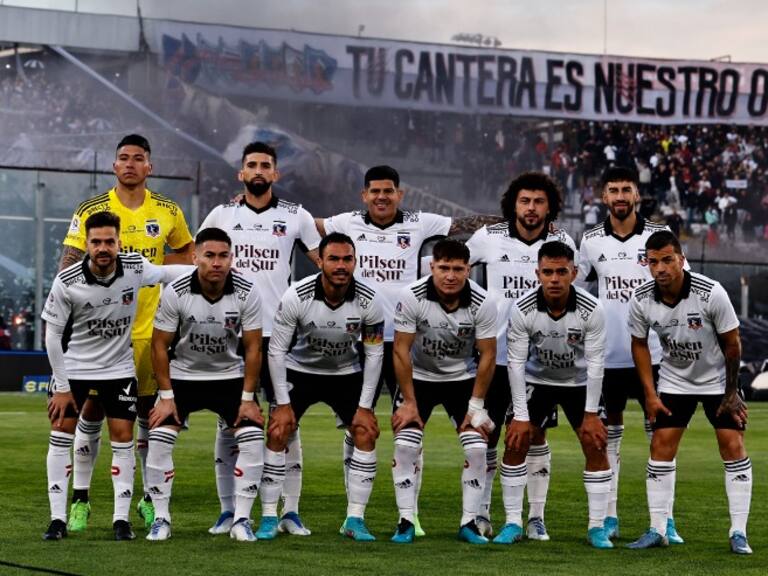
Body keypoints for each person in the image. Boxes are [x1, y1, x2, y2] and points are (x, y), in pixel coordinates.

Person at [318, 164, 499, 536]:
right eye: (375, 191)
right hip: (362, 338)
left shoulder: (420, 222)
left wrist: (508, 218)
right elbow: (307, 226)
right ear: (364, 195)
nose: (382, 197)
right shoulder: (347, 222)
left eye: (389, 191)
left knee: (409, 427)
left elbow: (463, 225)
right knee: (358, 425)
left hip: (407, 344)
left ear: (400, 194)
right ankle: (354, 509)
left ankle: (411, 516)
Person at [59, 134, 194, 532]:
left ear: (149, 167)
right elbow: (68, 261)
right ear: (114, 166)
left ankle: (147, 498)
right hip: (101, 334)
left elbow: (186, 256)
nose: (130, 164)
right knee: (92, 412)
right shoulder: (92, 209)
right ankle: (80, 500)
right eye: (123, 158)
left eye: (138, 159)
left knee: (149, 419)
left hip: (151, 334)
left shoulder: (168, 210)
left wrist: (159, 281)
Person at [199, 141, 322, 536]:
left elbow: (324, 265)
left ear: (275, 174)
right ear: (241, 173)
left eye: (265, 165)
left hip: (279, 334)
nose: (258, 170)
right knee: (228, 421)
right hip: (231, 334)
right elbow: (201, 263)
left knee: (286, 421)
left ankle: (290, 510)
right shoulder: (222, 213)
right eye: (251, 164)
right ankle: (228, 509)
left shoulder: (295, 216)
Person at [465, 171, 576, 539]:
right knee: (487, 434)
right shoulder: (488, 237)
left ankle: (535, 517)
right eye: (525, 201)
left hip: (540, 360)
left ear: (550, 207)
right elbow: (455, 268)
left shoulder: (563, 241)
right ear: (514, 204)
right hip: (495, 356)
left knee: (536, 435)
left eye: (539, 201)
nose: (531, 208)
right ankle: (481, 513)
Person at [627, 231, 752, 554]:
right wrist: (651, 394)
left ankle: (738, 533)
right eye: (653, 262)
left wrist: (731, 392)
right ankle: (658, 529)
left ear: (681, 260)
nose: (660, 268)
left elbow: (733, 343)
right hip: (673, 381)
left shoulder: (711, 292)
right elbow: (639, 344)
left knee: (732, 444)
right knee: (660, 446)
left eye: (667, 260)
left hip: (717, 381)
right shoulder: (641, 299)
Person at [577, 166, 682, 543]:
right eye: (613, 190)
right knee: (609, 439)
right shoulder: (589, 241)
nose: (620, 197)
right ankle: (609, 517)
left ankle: (665, 519)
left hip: (655, 356)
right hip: (608, 356)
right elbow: (574, 288)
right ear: (603, 197)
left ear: (637, 194)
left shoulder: (659, 237)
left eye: (626, 190)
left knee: (661, 438)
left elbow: (680, 290)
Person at [262, 233, 385, 541]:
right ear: (320, 261)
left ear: (355, 262)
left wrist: (366, 407)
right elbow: (276, 351)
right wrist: (282, 403)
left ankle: (354, 520)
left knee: (366, 431)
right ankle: (271, 517)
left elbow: (374, 353)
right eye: (334, 259)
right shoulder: (296, 296)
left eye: (347, 259)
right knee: (279, 429)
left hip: (345, 373)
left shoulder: (370, 300)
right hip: (299, 370)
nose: (341, 266)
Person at [145, 227, 266, 542]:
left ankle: (241, 519)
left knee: (252, 435)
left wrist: (249, 398)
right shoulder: (176, 291)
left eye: (223, 256)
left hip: (229, 377)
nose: (216, 263)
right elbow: (158, 345)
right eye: (209, 255)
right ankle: (161, 519)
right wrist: (166, 397)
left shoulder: (248, 290)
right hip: (183, 378)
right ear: (195, 256)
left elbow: (254, 348)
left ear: (231, 258)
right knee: (158, 436)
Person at [503, 241, 613, 549]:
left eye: (561, 272)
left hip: (579, 382)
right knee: (515, 442)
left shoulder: (592, 309)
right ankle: (516, 522)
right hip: (537, 380)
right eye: (548, 272)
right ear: (537, 273)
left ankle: (597, 527)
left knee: (595, 444)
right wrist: (521, 416)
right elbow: (515, 363)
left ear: (574, 273)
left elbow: (595, 365)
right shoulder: (522, 308)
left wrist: (591, 415)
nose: (554, 278)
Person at [389, 239, 497, 545]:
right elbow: (400, 349)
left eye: (458, 269)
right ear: (431, 267)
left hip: (462, 379)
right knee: (406, 445)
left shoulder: (484, 302)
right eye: (444, 268)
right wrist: (409, 402)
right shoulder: (411, 296)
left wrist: (476, 405)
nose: (450, 275)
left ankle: (469, 524)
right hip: (419, 379)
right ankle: (406, 520)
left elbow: (488, 354)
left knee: (477, 448)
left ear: (469, 269)